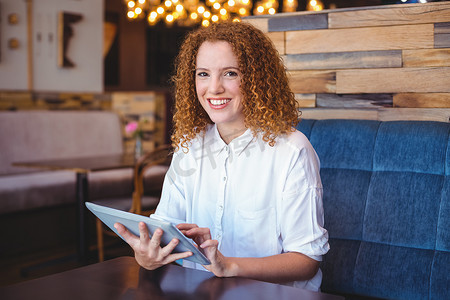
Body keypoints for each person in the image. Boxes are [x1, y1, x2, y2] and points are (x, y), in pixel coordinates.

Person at [115, 21, 329, 291]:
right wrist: (146, 255)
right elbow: (162, 230)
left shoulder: (292, 150)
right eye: (203, 74)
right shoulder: (191, 147)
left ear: (257, 80)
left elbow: (307, 260)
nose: (213, 88)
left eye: (229, 73)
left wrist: (229, 266)